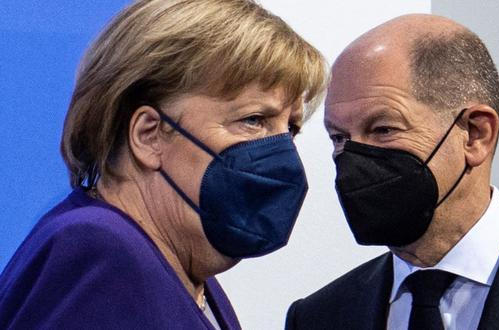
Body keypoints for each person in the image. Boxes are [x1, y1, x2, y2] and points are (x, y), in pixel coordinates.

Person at [0, 0, 326, 329]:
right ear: (149, 135)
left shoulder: (190, 277)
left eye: (291, 129)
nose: (283, 154)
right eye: (254, 120)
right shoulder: (102, 253)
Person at [286, 14, 499, 330]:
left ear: (475, 134)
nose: (352, 161)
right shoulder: (318, 317)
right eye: (339, 138)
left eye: (383, 129)